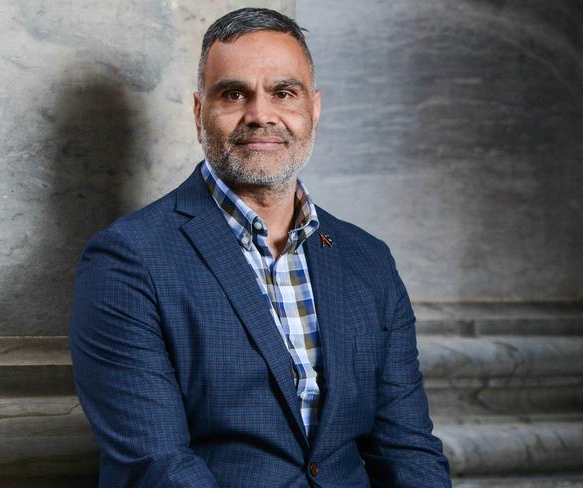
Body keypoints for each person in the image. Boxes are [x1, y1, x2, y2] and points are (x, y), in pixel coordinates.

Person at [69, 7, 451, 488]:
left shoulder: (368, 259)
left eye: (283, 93)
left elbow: (408, 449)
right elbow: (157, 465)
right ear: (198, 111)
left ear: (313, 109)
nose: (260, 115)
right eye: (233, 94)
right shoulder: (128, 260)